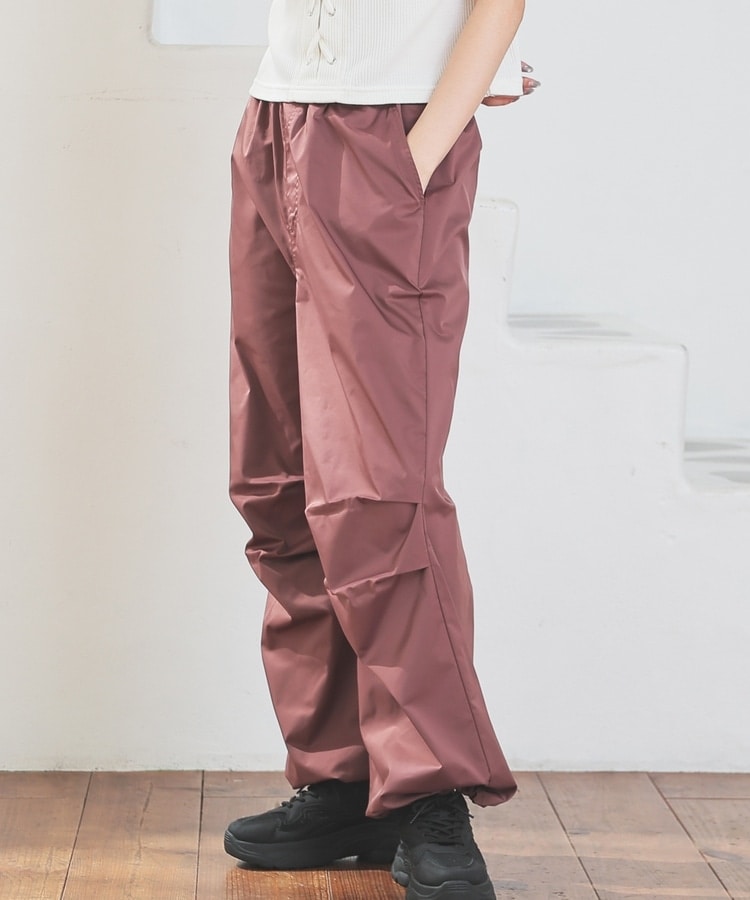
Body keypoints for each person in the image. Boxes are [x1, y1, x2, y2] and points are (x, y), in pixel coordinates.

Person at [224, 1, 538, 897]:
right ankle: (345, 780)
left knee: (380, 490)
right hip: (276, 116)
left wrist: (420, 151)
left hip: (391, 131)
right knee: (278, 478)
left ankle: (429, 789)